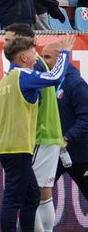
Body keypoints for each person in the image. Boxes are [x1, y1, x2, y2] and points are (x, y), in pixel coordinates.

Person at [0, 32, 74, 232]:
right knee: (12, 200)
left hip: (7, 146)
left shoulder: (6, 80)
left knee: (31, 197)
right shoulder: (23, 76)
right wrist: (65, 53)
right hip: (18, 147)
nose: (36, 55)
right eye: (32, 51)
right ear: (23, 57)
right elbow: (55, 77)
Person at [41, 41, 88, 200]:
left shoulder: (76, 83)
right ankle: (36, 218)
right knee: (37, 194)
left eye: (47, 57)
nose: (43, 61)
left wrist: (67, 137)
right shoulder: (47, 83)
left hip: (80, 154)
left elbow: (86, 117)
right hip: (53, 152)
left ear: (61, 59)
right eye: (41, 57)